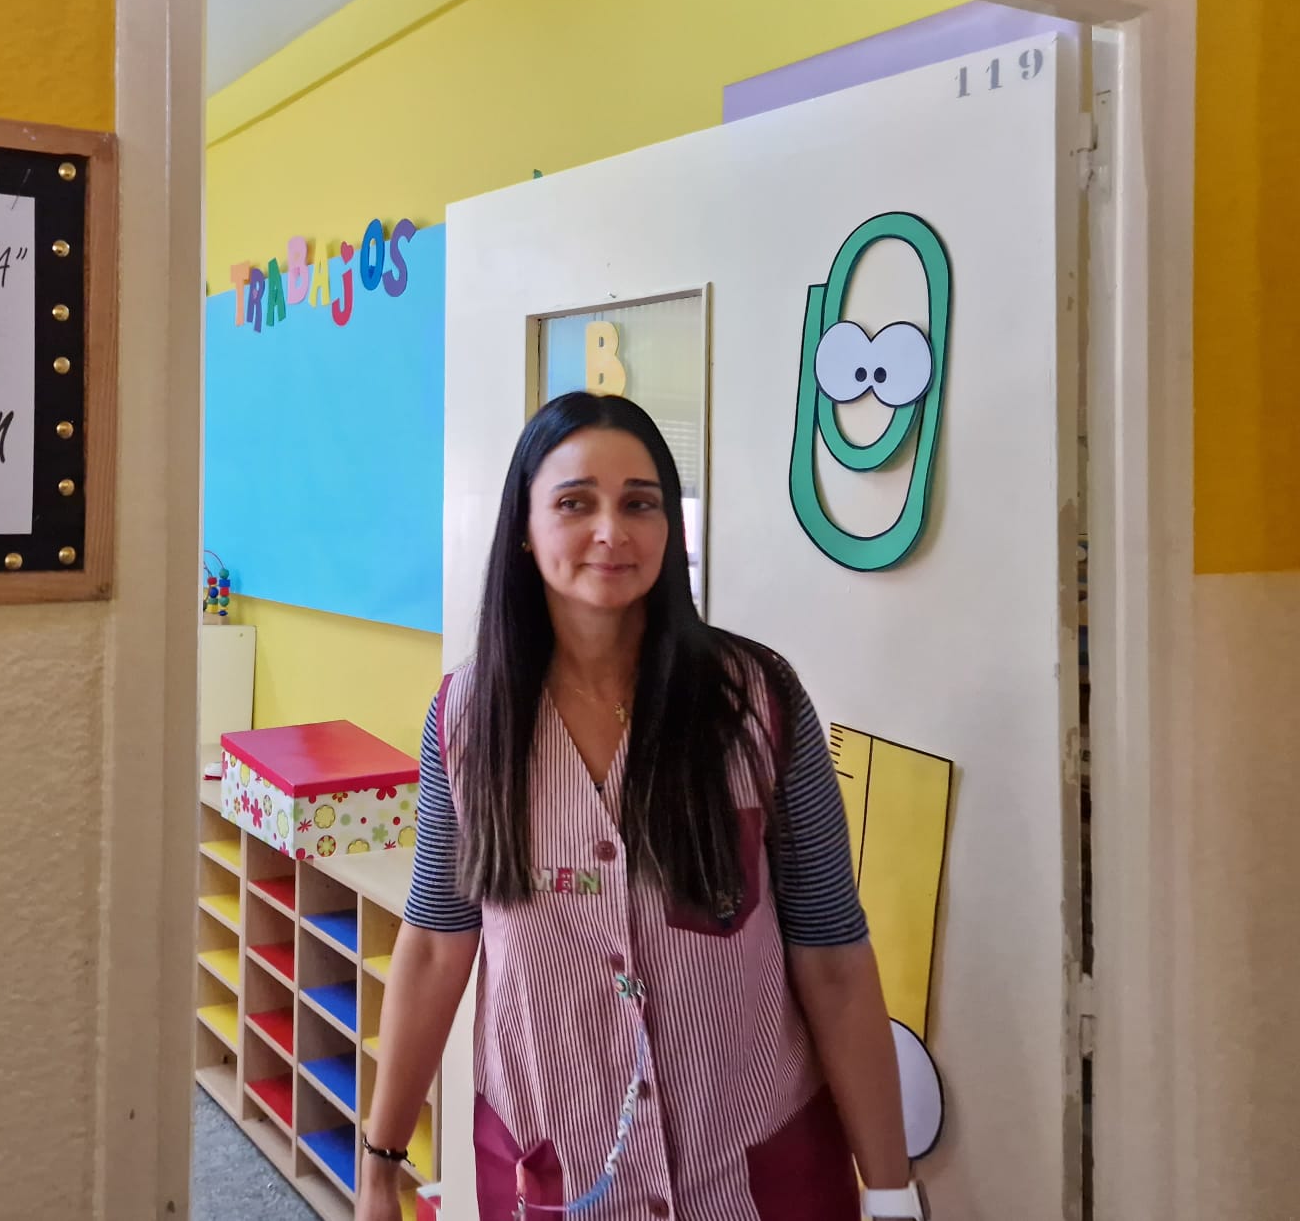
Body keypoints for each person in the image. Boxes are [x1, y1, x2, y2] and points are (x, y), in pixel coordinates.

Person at [356, 392, 924, 1221]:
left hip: (761, 1175)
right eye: (575, 502)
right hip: (551, 1175)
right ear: (524, 524)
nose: (612, 531)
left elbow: (834, 958)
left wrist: (893, 1193)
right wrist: (381, 1164)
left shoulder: (757, 701)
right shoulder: (467, 722)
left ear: (671, 527)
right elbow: (438, 946)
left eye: (641, 503)